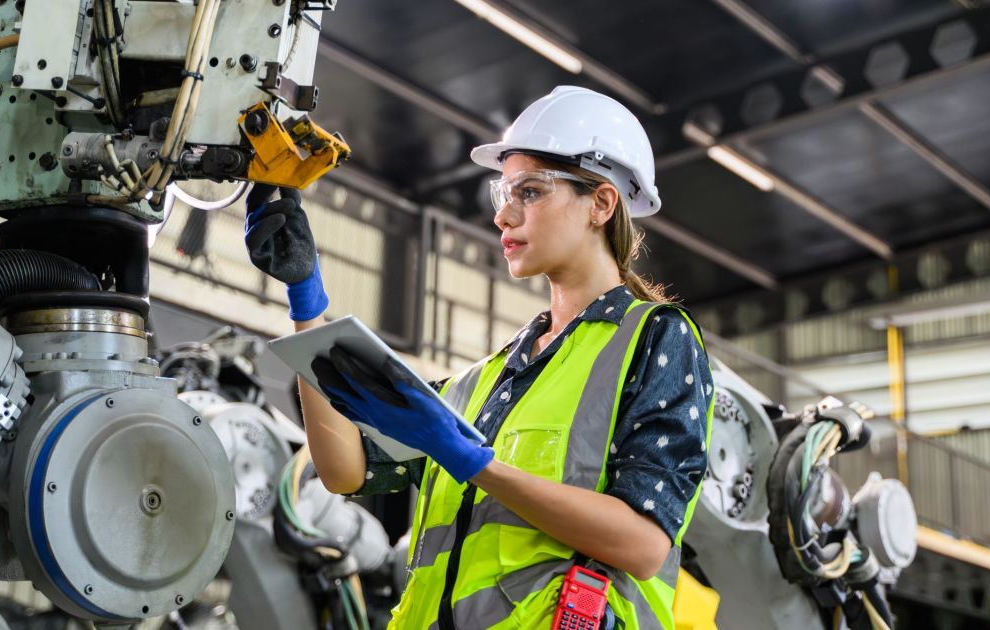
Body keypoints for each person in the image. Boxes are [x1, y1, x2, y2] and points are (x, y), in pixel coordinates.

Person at [244, 86, 713, 630]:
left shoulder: (654, 338)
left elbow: (643, 543)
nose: (504, 217)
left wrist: (473, 462)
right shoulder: (484, 380)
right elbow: (344, 471)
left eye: (531, 192)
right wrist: (307, 304)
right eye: (503, 194)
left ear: (602, 204)